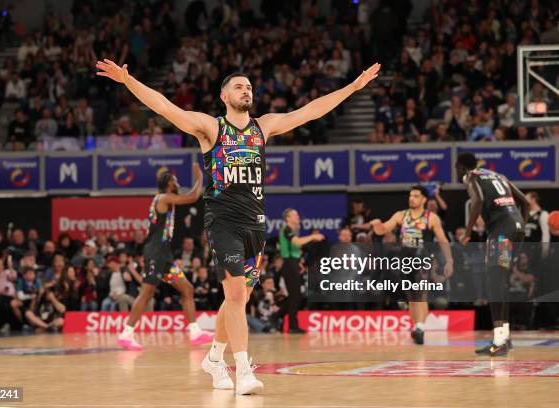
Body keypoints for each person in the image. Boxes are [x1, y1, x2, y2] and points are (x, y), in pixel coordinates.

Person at [97, 57, 380, 395]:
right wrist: (129, 81)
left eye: (249, 86)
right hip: (222, 222)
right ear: (224, 97)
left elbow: (312, 111)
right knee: (233, 292)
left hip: (254, 225)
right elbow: (165, 106)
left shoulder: (264, 126)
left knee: (239, 299)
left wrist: (353, 87)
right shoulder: (211, 128)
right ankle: (243, 368)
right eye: (238, 87)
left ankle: (214, 357)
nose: (246, 90)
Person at [117, 166, 214, 350]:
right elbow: (193, 197)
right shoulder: (163, 197)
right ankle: (126, 334)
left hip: (164, 255)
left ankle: (195, 332)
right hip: (155, 253)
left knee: (187, 289)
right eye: (175, 182)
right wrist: (200, 177)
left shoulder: (167, 200)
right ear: (168, 184)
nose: (178, 184)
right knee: (147, 293)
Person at [456, 152, 529, 356]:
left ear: (461, 167)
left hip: (501, 234)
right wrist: (520, 228)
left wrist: (468, 232)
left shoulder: (470, 176)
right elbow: (525, 202)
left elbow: (477, 200)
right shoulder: (498, 175)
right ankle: (505, 337)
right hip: (515, 232)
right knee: (501, 281)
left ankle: (498, 340)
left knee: (495, 283)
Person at [370, 186, 453, 345]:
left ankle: (420, 328)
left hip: (423, 258)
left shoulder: (431, 218)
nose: (411, 198)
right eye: (410, 195)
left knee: (420, 293)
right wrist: (377, 225)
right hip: (405, 259)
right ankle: (417, 327)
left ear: (424, 200)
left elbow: (443, 240)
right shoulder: (401, 215)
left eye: (416, 196)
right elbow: (383, 229)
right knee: (411, 297)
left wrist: (449, 260)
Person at [279, 208, 325, 333]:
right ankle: (290, 324)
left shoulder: (293, 230)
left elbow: (295, 247)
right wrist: (313, 236)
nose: (297, 216)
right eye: (294, 215)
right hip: (288, 264)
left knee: (296, 295)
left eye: (297, 214)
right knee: (295, 295)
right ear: (288, 218)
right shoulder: (287, 229)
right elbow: (297, 242)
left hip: (292, 263)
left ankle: (281, 319)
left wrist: (298, 262)